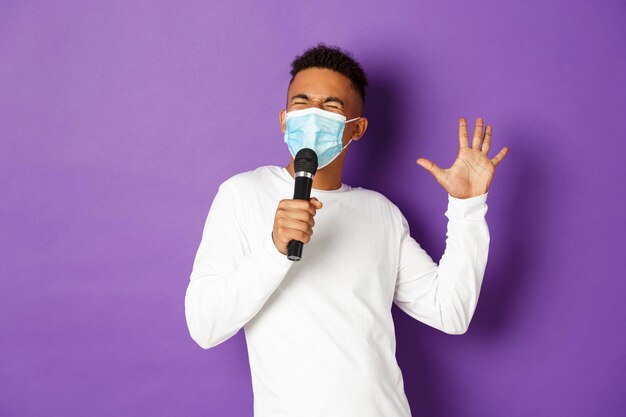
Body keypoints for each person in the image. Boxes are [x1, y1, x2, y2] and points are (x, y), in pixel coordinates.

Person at [184, 43, 508, 417]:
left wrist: (467, 208)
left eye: (331, 107)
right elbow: (204, 325)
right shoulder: (243, 194)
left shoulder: (380, 213)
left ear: (357, 129)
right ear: (284, 119)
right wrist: (273, 250)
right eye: (301, 103)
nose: (312, 115)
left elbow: (449, 312)